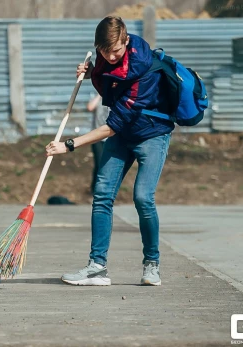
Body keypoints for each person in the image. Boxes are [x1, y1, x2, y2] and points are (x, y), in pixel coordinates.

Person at [45, 16, 174, 286]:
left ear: (126, 41)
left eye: (116, 50)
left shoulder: (144, 70)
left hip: (152, 134)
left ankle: (152, 264)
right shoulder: (105, 57)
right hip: (123, 134)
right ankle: (97, 267)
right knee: (102, 196)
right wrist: (91, 71)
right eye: (105, 51)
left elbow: (110, 126)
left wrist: (68, 145)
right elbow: (108, 89)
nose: (112, 56)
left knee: (143, 198)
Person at [87, 93, 108, 193]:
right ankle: (94, 190)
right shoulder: (98, 97)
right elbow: (90, 107)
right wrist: (100, 94)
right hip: (97, 138)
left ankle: (105, 190)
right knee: (99, 164)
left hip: (110, 137)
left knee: (108, 166)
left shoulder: (114, 97)